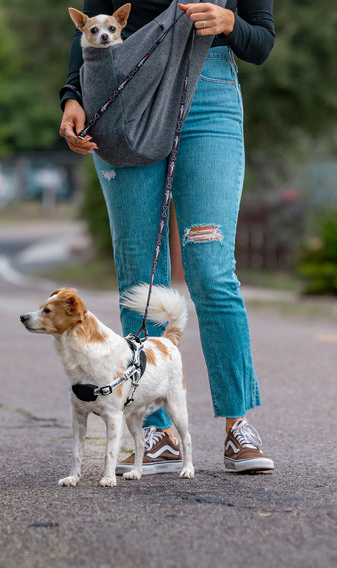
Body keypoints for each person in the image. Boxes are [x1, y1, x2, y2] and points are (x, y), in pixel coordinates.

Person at [59, 0, 275, 474]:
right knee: (140, 273)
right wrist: (72, 96)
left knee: (212, 269)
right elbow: (91, 20)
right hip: (127, 87)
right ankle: (155, 429)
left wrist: (230, 23)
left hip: (210, 92)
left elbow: (261, 41)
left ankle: (238, 425)